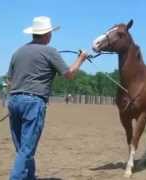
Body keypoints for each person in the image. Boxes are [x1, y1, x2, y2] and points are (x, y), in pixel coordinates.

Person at [6, 16, 88, 180]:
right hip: (34, 102)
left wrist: (19, 95)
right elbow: (69, 74)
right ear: (47, 34)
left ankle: (29, 177)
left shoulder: (18, 51)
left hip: (13, 100)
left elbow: (9, 80)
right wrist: (81, 59)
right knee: (27, 149)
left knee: (22, 148)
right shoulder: (50, 51)